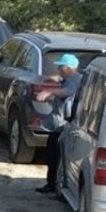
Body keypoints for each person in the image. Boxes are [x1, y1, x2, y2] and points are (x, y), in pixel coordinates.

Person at [35, 53, 82, 194]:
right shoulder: (69, 78)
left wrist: (50, 92)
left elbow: (67, 91)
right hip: (56, 125)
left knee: (56, 156)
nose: (59, 70)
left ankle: (55, 185)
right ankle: (51, 183)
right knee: (51, 155)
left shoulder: (74, 81)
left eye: (61, 67)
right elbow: (60, 80)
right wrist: (49, 79)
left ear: (68, 68)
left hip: (62, 127)